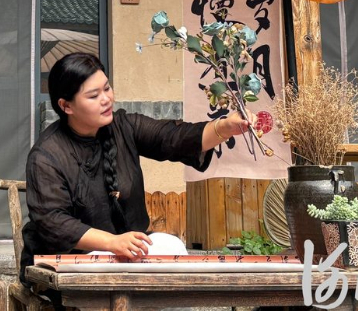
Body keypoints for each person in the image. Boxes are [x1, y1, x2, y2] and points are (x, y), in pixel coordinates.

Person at [20, 52, 255, 285]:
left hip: (122, 253)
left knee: (172, 246)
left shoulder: (124, 126)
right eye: (93, 95)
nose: (106, 99)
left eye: (107, 88)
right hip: (66, 262)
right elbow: (53, 222)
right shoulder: (46, 156)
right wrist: (112, 242)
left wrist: (225, 127)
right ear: (66, 106)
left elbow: (172, 137)